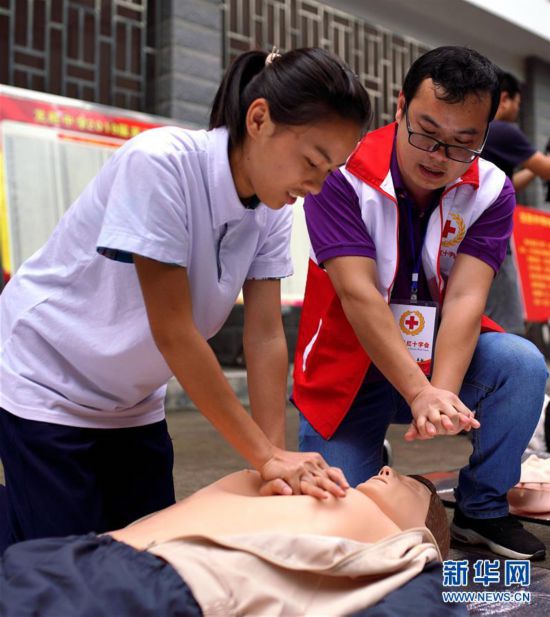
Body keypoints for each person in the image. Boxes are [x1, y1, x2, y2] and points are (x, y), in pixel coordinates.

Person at [0, 47, 372, 552]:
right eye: (312, 161)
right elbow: (174, 331)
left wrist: (276, 465)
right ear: (259, 119)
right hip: (49, 376)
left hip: (131, 398)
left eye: (331, 170)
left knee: (147, 551)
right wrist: (264, 457)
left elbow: (264, 336)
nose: (316, 184)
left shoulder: (274, 205)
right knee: (61, 567)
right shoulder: (160, 164)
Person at [292, 46, 548, 560]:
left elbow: (468, 298)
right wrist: (420, 393)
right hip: (350, 368)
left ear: (485, 134)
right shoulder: (342, 174)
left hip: (434, 360)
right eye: (426, 132)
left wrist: (442, 396)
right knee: (353, 532)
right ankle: (369, 453)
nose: (438, 156)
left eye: (462, 143)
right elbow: (359, 296)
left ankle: (482, 508)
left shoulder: (491, 189)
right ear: (399, 105)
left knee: (521, 365)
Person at [0, 466, 466, 617]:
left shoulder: (409, 551)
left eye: (405, 482)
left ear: (421, 526)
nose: (386, 471)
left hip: (152, 583)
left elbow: (456, 589)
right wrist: (274, 473)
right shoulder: (321, 489)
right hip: (80, 554)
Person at [481, 71, 550, 334]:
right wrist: (540, 163)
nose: (518, 111)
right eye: (519, 105)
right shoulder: (503, 130)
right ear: (506, 99)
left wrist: (534, 165)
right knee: (505, 327)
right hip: (492, 240)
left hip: (472, 233)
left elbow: (510, 183)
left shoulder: (484, 133)